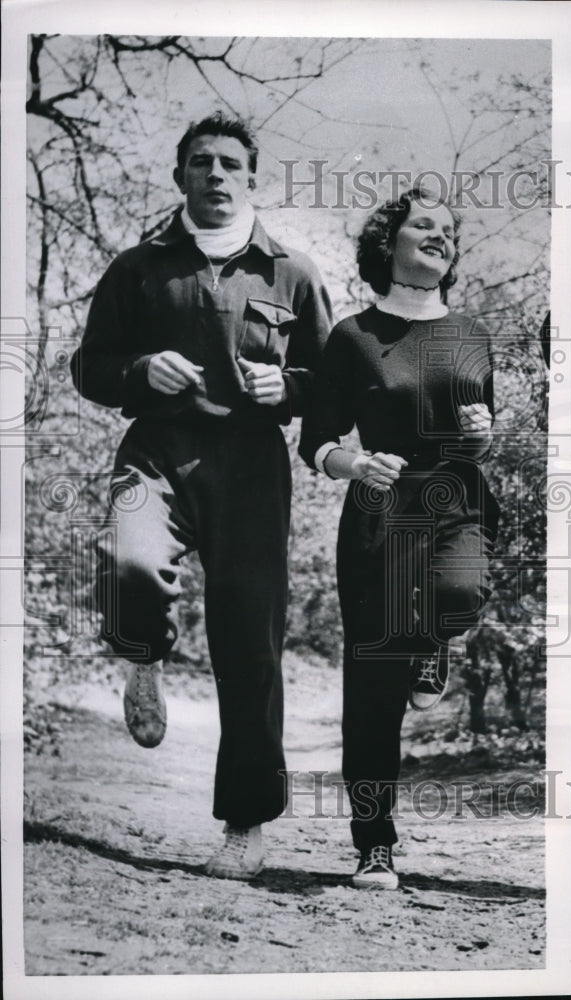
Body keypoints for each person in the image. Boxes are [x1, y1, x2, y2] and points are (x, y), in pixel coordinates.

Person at [70, 112, 332, 880]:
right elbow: (89, 368)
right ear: (180, 175)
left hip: (252, 467)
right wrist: (136, 370)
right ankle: (142, 656)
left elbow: (335, 386)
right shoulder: (139, 268)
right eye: (200, 162)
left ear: (252, 177)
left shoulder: (295, 272)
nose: (215, 174)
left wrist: (288, 385)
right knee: (129, 558)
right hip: (156, 450)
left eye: (230, 163)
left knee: (249, 643)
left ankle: (246, 823)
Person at [299, 187, 499, 890]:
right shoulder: (352, 337)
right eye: (424, 226)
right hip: (380, 509)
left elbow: (480, 436)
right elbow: (315, 441)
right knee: (374, 693)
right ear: (389, 243)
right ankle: (373, 845)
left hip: (454, 498)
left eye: (448, 229)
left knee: (458, 594)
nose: (440, 236)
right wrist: (356, 462)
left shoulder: (473, 334)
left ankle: (434, 643)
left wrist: (483, 437)